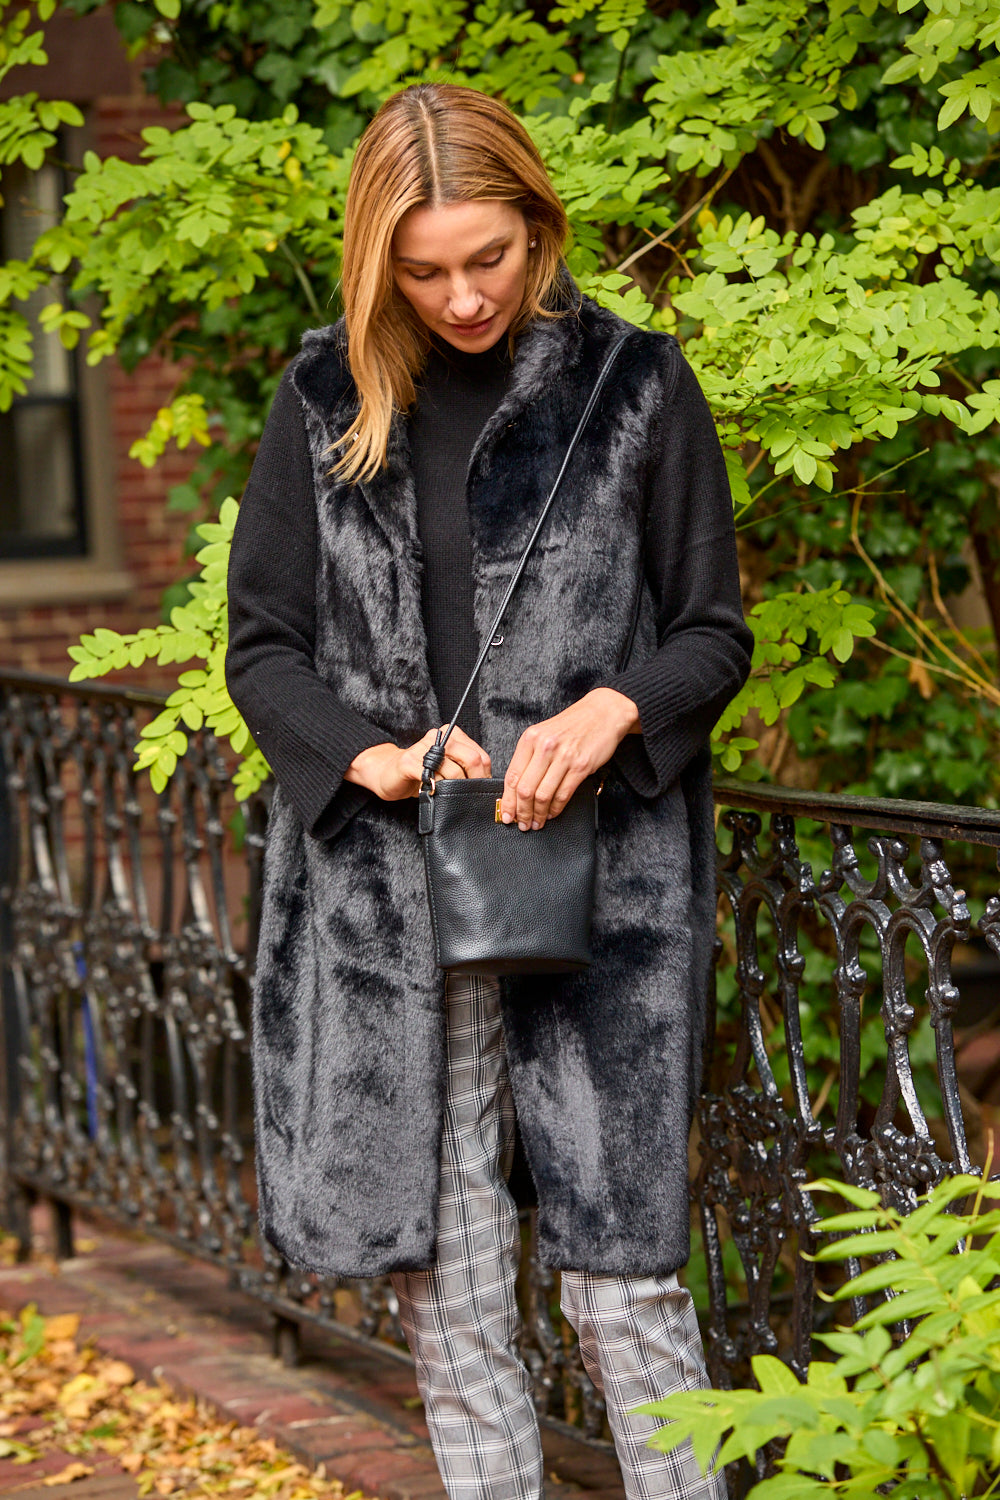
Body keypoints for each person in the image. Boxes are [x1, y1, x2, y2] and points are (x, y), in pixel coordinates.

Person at [225, 81, 752, 1500]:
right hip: (396, 900)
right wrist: (367, 752)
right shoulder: (322, 394)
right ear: (376, 259)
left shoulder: (638, 385)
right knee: (450, 1305)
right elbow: (262, 649)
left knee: (623, 1287)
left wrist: (611, 708)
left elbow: (713, 630)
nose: (464, 295)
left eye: (491, 257)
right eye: (425, 268)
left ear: (539, 226)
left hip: (606, 890)